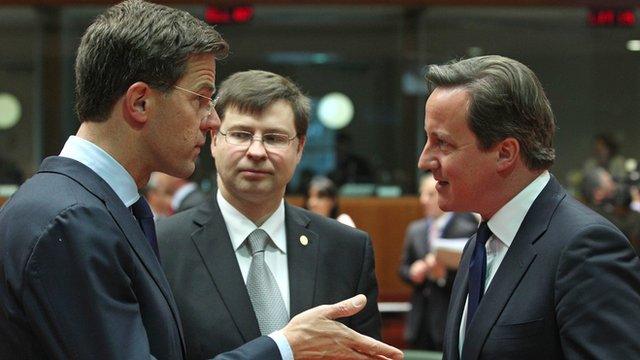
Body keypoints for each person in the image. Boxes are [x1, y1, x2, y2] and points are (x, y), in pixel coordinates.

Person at [0, 2, 403, 360]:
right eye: (199, 98)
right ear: (140, 102)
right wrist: (283, 347)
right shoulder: (72, 219)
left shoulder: (87, 206)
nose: (211, 120)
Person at [418, 55, 640, 359]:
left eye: (442, 143)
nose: (424, 160)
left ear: (505, 153)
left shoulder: (585, 249)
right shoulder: (480, 246)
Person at [157, 70, 381, 359]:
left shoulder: (346, 250)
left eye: (274, 138)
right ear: (214, 140)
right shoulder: (163, 246)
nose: (257, 151)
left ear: (299, 148)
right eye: (241, 134)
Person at [398, 173, 477, 351]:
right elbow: (402, 268)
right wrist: (412, 272)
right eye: (421, 194)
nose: (423, 200)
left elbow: (474, 277)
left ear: (446, 193)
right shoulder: (415, 229)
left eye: (430, 195)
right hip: (418, 321)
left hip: (448, 317)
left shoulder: (467, 229)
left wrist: (443, 277)